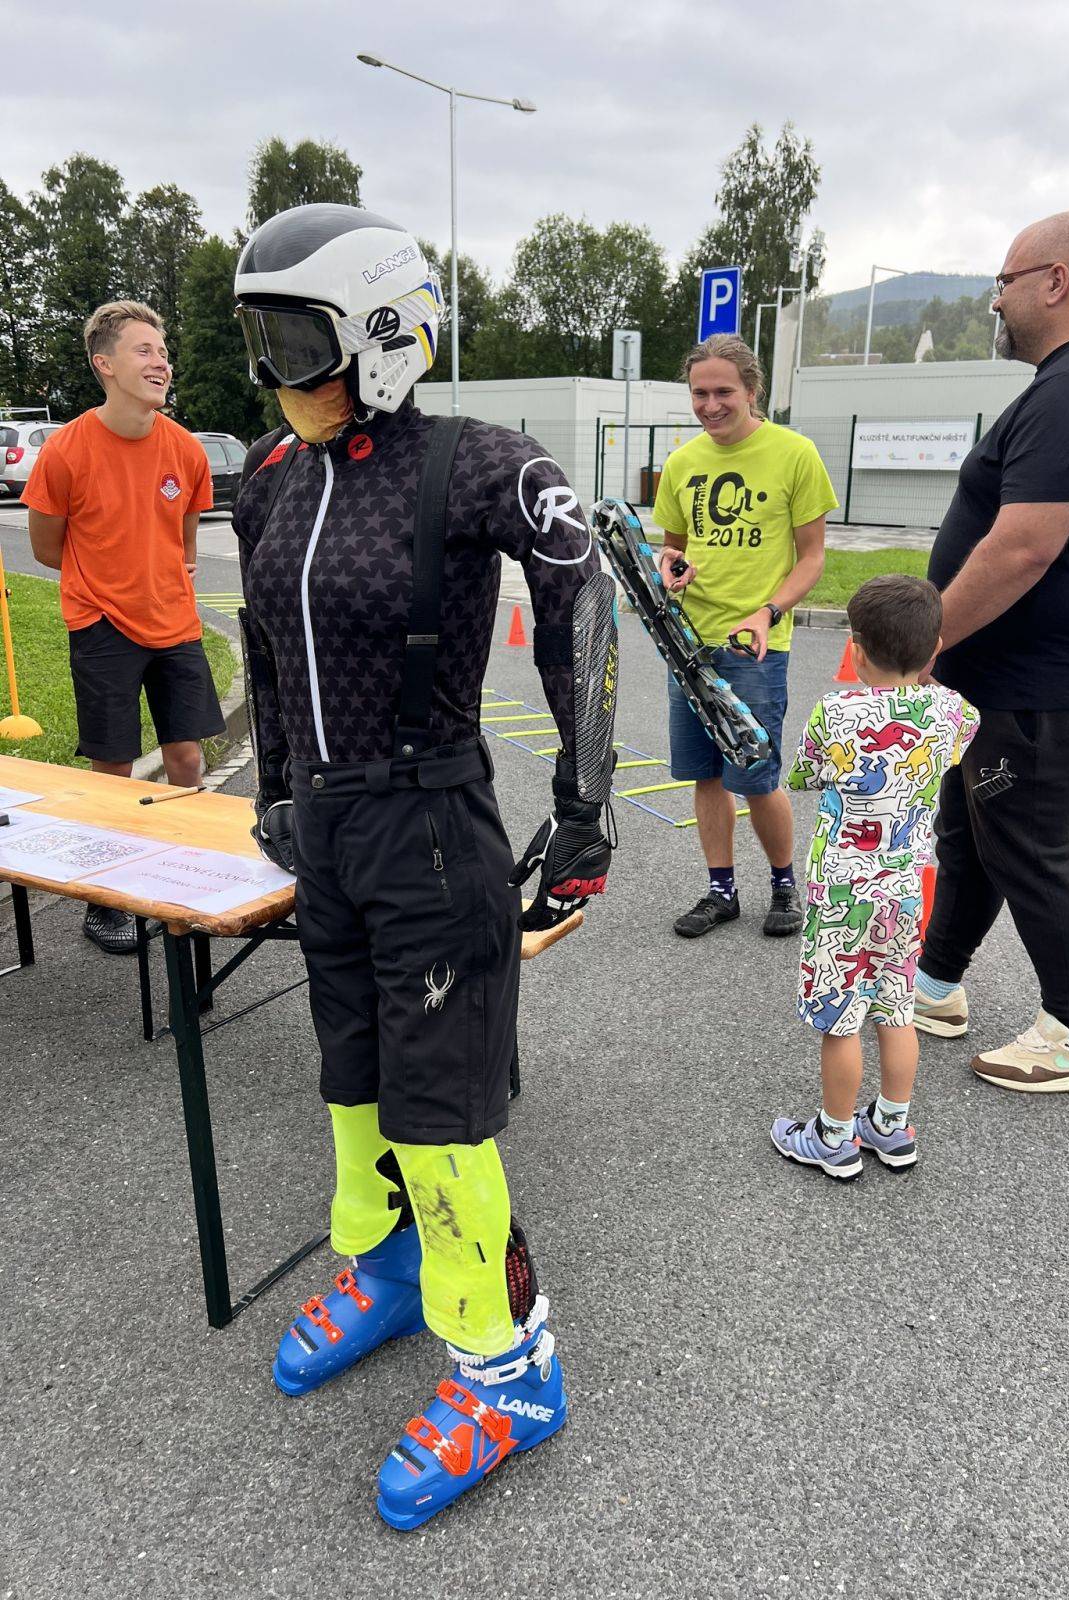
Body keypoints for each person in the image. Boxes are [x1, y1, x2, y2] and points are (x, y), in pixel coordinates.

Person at [231, 204, 617, 1531]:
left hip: (432, 827)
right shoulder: (271, 476)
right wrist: (275, 789)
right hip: (328, 831)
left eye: (297, 341)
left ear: (384, 334)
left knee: (442, 1120)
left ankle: (512, 1370)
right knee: (355, 1081)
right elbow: (265, 641)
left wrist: (586, 809)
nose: (275, 374)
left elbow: (584, 598)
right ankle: (396, 1271)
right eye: (259, 341)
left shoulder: (476, 461)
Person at [916, 212, 1069, 1093]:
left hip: (1037, 683)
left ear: (1057, 280)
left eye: (1005, 282)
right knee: (973, 836)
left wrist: (927, 639)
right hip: (1001, 678)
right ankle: (935, 987)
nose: (996, 302)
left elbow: (1023, 547)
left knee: (1028, 849)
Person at [24, 300, 223, 955]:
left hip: (175, 624)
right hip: (102, 623)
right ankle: (105, 901)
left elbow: (185, 545)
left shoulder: (186, 450)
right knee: (111, 767)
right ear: (104, 364)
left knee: (186, 757)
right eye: (144, 350)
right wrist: (108, 581)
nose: (161, 361)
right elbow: (47, 549)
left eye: (163, 351)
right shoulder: (66, 450)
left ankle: (183, 878)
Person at [771, 576, 978, 1179]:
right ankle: (890, 1126)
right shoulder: (951, 710)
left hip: (843, 892)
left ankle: (833, 1136)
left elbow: (805, 775)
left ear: (856, 651)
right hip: (905, 890)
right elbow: (962, 730)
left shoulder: (836, 713)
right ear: (935, 649)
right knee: (896, 1009)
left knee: (841, 1019)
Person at [651, 334, 836, 939]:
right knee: (706, 775)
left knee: (755, 776)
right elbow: (672, 548)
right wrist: (670, 567)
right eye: (699, 393)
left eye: (723, 392)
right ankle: (721, 891)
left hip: (755, 645)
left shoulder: (795, 453)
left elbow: (812, 558)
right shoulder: (682, 463)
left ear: (753, 391)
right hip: (689, 642)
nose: (710, 405)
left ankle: (784, 885)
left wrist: (768, 612)